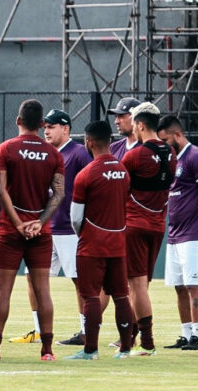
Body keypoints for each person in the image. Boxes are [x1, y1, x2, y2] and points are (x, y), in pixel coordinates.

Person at [0, 99, 65, 361]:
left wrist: (17, 222)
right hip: (40, 232)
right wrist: (40, 221)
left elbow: (0, 190)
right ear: (42, 124)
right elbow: (58, 193)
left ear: (18, 121)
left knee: (1, 290)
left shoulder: (6, 149)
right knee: (43, 290)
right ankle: (47, 351)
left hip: (10, 230)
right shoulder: (54, 154)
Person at [20, 109, 92, 346]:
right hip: (46, 226)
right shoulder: (45, 153)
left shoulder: (79, 153)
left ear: (66, 128)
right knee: (32, 277)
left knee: (79, 279)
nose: (47, 131)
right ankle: (40, 330)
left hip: (70, 228)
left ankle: (85, 331)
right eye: (45, 127)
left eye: (52, 126)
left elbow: (90, 186)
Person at [65, 120, 134, 360]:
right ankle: (125, 348)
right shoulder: (124, 171)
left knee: (91, 296)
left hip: (92, 244)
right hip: (118, 243)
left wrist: (84, 235)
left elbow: (75, 217)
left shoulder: (86, 174)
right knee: (121, 295)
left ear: (89, 142)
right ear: (111, 142)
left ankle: (90, 350)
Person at [158, 115, 198, 351]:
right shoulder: (172, 160)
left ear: (177, 135)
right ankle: (185, 334)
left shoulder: (197, 157)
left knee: (194, 284)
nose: (163, 145)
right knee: (179, 286)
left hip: (194, 233)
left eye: (166, 140)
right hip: (174, 232)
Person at [122, 102, 177, 356]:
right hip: (157, 225)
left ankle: (146, 343)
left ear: (140, 125)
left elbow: (119, 187)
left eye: (134, 123)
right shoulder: (172, 153)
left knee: (136, 285)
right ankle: (132, 338)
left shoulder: (135, 155)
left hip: (134, 224)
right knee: (142, 284)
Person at [108, 97, 141, 162]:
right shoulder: (114, 147)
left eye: (121, 116)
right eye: (116, 116)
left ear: (135, 117)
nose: (116, 121)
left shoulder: (147, 148)